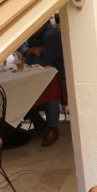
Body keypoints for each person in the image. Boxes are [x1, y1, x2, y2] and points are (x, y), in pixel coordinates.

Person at [20, 17, 65, 146]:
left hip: (59, 79)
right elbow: (21, 45)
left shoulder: (52, 35)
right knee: (20, 90)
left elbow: (42, 61)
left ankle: (52, 127)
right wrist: (29, 51)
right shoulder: (35, 34)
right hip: (37, 77)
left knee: (49, 89)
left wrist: (27, 55)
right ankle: (37, 121)